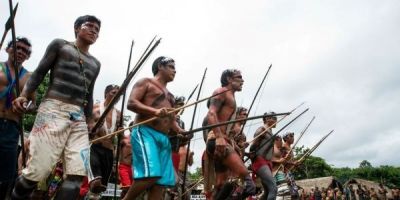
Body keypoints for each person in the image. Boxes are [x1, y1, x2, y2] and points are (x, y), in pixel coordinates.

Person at [11, 15, 101, 200]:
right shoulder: (60, 45)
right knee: (37, 172)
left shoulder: (95, 63)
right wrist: (23, 95)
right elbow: (39, 73)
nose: (94, 30)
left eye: (97, 29)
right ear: (76, 28)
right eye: (89, 26)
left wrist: (90, 121)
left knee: (77, 174)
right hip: (53, 110)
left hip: (79, 119)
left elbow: (89, 94)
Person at [123, 56, 184, 199]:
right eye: (171, 67)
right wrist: (154, 112)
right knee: (151, 175)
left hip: (164, 139)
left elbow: (171, 119)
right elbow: (131, 103)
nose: (175, 71)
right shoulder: (146, 82)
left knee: (160, 183)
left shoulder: (171, 96)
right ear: (160, 67)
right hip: (145, 132)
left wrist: (180, 131)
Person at [202, 69, 255, 199]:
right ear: (229, 79)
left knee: (222, 185)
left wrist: (234, 145)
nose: (242, 80)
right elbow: (211, 114)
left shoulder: (231, 96)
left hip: (221, 141)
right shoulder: (221, 92)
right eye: (239, 77)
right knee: (249, 183)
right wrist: (219, 137)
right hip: (218, 142)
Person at [0, 37, 33, 199]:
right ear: (7, 49)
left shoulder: (29, 77)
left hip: (12, 128)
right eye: (17, 47)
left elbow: (34, 103)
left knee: (6, 175)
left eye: (25, 51)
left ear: (28, 56)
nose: (20, 52)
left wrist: (26, 106)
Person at [85, 84, 121, 198]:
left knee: (101, 188)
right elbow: (87, 129)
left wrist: (120, 132)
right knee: (96, 183)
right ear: (106, 93)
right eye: (114, 93)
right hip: (94, 148)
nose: (117, 96)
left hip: (109, 152)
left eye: (119, 94)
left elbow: (119, 138)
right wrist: (94, 127)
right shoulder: (95, 109)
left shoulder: (119, 115)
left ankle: (89, 197)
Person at [249, 113, 278, 200]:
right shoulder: (262, 130)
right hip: (260, 161)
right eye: (274, 118)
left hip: (267, 162)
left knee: (267, 192)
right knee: (273, 188)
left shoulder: (269, 131)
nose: (276, 120)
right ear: (267, 119)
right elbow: (252, 147)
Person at [118, 121, 134, 198]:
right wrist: (120, 133)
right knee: (127, 187)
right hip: (124, 167)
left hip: (134, 168)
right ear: (130, 128)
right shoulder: (124, 139)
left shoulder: (140, 141)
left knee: (132, 190)